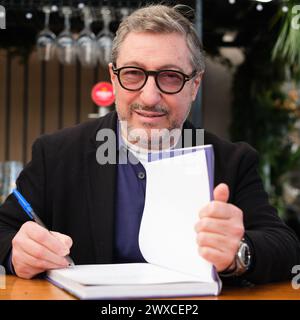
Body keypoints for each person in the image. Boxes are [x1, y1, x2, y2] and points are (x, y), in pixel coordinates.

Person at [0, 4, 300, 283]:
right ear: (114, 78)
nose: (149, 97)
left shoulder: (232, 161)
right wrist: (16, 252)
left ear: (194, 85)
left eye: (170, 77)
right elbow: (4, 229)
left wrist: (239, 253)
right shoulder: (56, 154)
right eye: (133, 73)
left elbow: (286, 248)